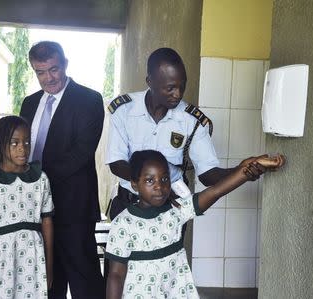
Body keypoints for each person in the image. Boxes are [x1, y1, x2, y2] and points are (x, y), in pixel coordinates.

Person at [106, 48, 274, 220]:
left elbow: (208, 175)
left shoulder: (192, 120)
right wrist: (157, 186)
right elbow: (117, 163)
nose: (178, 94)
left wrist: (242, 171)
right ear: (150, 81)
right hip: (128, 206)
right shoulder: (124, 110)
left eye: (182, 86)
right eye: (170, 88)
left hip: (170, 209)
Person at [106, 150, 285, 298]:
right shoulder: (123, 224)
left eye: (164, 179)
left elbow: (216, 191)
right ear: (135, 184)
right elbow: (116, 275)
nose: (159, 186)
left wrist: (253, 166)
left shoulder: (176, 211)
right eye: (149, 180)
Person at [20, 41, 105, 298]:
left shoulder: (89, 100)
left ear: (65, 64)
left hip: (74, 210)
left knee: (84, 281)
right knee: (46, 280)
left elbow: (81, 153)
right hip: (34, 209)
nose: (48, 78)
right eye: (40, 72)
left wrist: (36, 179)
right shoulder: (29, 103)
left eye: (54, 70)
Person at [0, 116, 54, 299]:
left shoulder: (40, 178)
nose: (22, 148)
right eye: (14, 143)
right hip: (0, 258)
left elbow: (47, 223)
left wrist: (49, 265)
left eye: (26, 142)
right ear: (0, 144)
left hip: (33, 256)